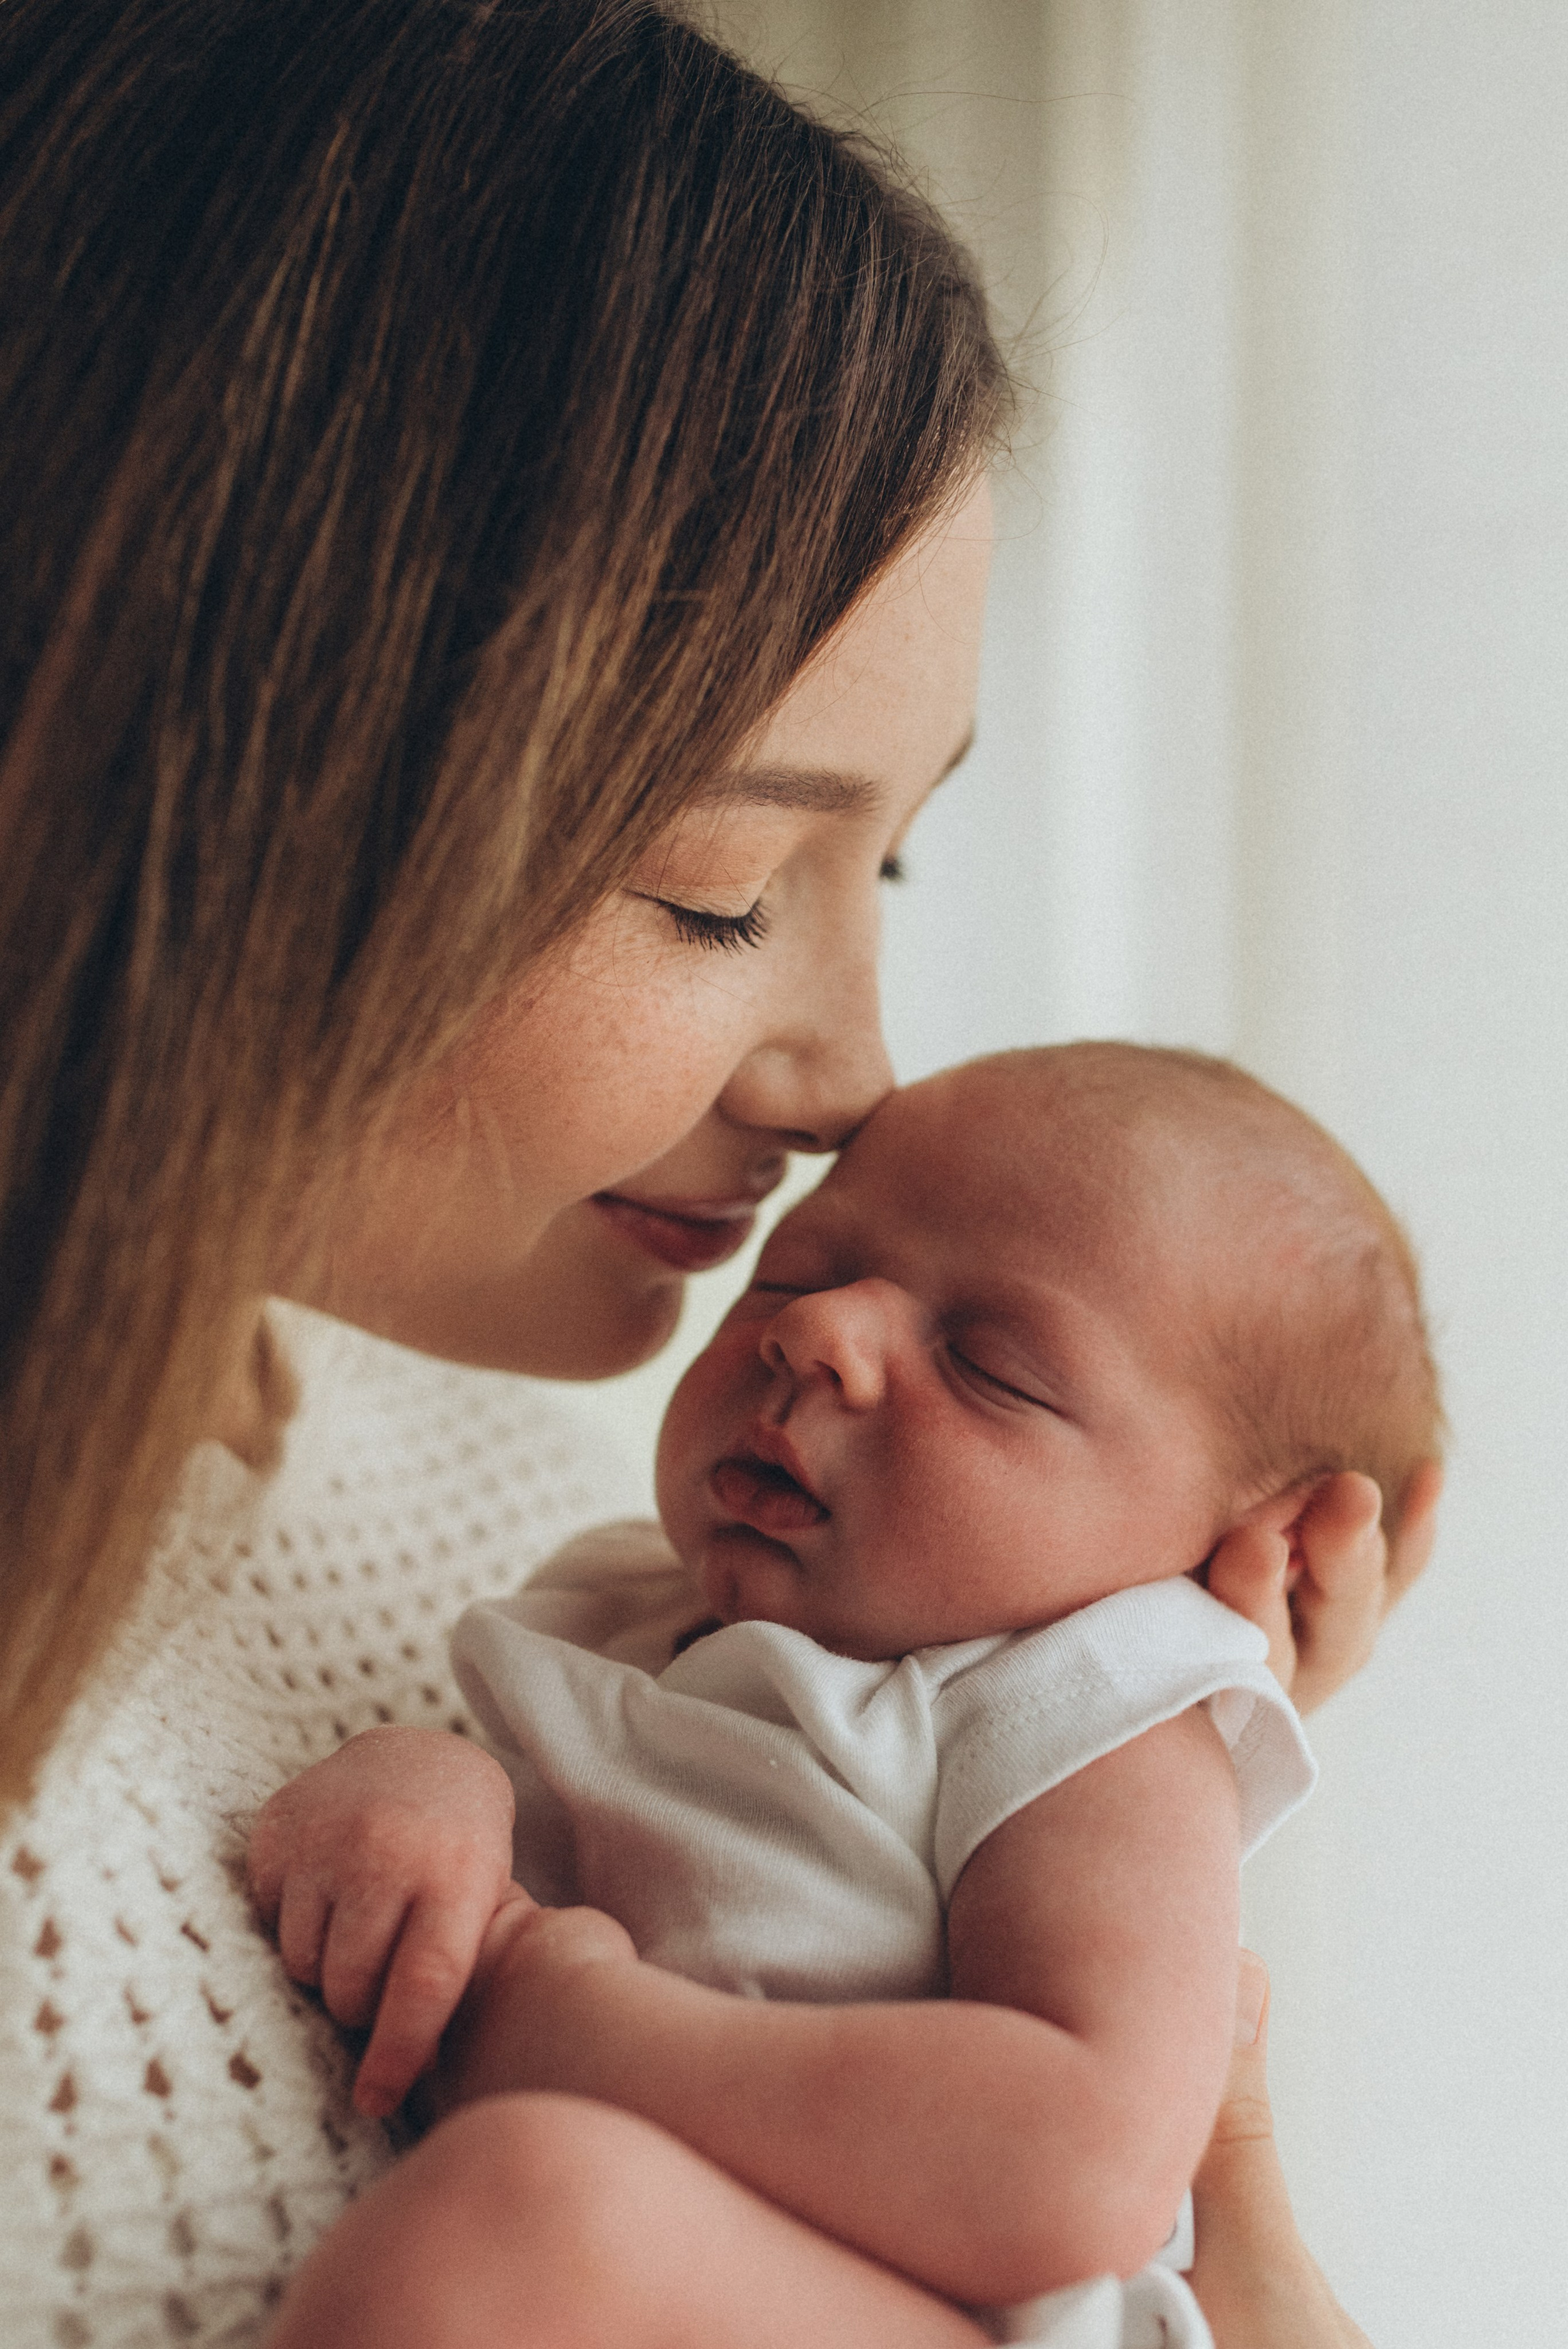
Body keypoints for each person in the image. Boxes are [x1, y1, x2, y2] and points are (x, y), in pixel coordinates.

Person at [0, 0, 1438, 2341]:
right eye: (713, 887)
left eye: (903, 861)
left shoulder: (571, 1504)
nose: (854, 1080)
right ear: (215, 765)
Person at [249, 1043, 1441, 2348]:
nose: (815, 1334)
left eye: (990, 1366)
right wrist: (424, 1780)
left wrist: (586, 2036)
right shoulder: (614, 1600)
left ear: (1233, 1564)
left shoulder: (1093, 1709)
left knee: (526, 2214)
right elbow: (528, 1806)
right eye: (795, 1273)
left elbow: (1077, 2166)